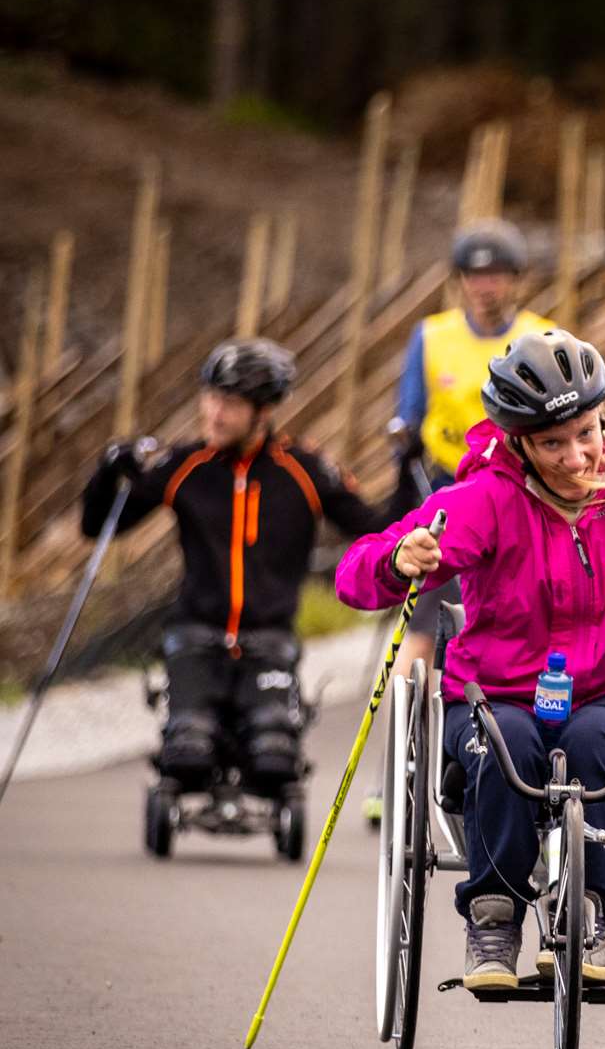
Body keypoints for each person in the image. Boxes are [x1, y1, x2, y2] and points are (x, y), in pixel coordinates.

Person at [336, 329, 605, 991]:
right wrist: (399, 560)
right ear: (517, 442)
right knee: (505, 742)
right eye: (552, 443)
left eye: (588, 432)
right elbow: (357, 574)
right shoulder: (485, 499)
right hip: (498, 694)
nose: (577, 456)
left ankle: (601, 918)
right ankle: (494, 915)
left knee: (601, 740)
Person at [80, 338, 404, 800]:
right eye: (210, 398)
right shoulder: (184, 464)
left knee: (273, 760)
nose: (213, 413)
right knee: (187, 754)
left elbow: (376, 528)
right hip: (195, 633)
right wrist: (108, 471)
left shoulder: (304, 469)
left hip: (269, 638)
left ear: (263, 411)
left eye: (228, 403)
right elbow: (100, 525)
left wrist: (409, 467)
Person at [367, 221, 555, 825]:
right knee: (419, 635)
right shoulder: (432, 337)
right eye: (474, 275)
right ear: (460, 282)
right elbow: (409, 416)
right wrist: (401, 442)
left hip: (523, 496)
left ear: (514, 280)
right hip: (450, 498)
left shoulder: (538, 336)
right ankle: (392, 769)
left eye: (495, 274)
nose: (484, 286)